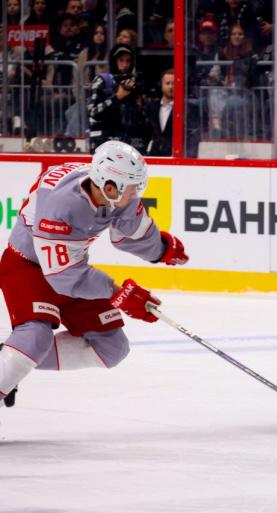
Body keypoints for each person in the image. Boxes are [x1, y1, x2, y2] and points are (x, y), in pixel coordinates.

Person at [0, 141, 189, 410]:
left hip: (69, 271)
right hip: (27, 267)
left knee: (112, 348)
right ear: (110, 187)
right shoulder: (61, 205)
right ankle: (14, 359)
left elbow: (129, 233)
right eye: (132, 187)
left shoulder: (113, 190)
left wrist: (162, 249)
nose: (135, 193)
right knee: (35, 337)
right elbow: (65, 277)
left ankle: (9, 358)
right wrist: (120, 294)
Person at [87, 44, 148, 153]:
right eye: (121, 60)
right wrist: (117, 97)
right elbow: (93, 112)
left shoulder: (135, 83)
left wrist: (138, 102)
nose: (125, 64)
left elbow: (144, 117)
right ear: (113, 61)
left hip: (131, 142)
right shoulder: (102, 80)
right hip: (105, 142)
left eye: (128, 61)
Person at [145, 69, 174, 156]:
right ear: (161, 85)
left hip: (174, 156)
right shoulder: (151, 107)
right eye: (167, 83)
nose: (171, 87)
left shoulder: (187, 109)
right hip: (154, 155)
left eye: (174, 83)